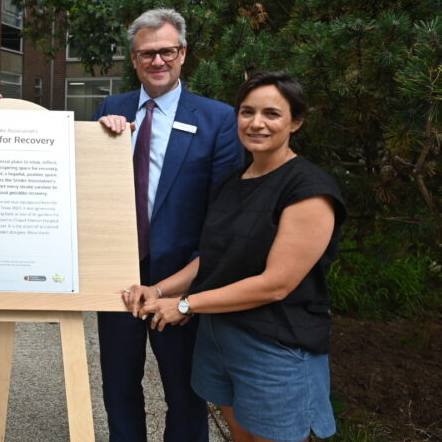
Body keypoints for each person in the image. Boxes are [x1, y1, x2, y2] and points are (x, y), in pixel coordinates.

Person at [124, 72, 346, 442]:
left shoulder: (309, 191)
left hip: (276, 348)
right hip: (221, 338)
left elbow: (276, 284)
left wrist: (185, 306)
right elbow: (211, 259)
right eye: (247, 112)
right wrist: (158, 290)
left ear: (296, 121)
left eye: (272, 114)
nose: (256, 123)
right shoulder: (234, 181)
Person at [96, 8, 244, 442]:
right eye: (147, 54)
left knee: (185, 393)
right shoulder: (112, 109)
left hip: (181, 280)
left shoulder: (217, 120)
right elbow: (86, 183)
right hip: (119, 278)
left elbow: (223, 216)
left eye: (167, 51)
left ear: (183, 54)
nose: (157, 61)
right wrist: (102, 140)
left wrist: (190, 289)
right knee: (119, 388)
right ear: (134, 58)